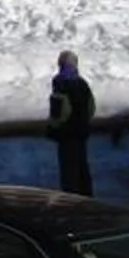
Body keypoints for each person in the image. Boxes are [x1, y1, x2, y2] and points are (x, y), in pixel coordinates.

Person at [48, 50, 96, 196]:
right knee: (82, 168)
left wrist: (53, 128)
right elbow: (91, 107)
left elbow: (61, 111)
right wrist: (83, 123)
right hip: (81, 132)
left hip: (66, 134)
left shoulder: (60, 83)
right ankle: (88, 199)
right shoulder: (82, 83)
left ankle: (71, 202)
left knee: (69, 172)